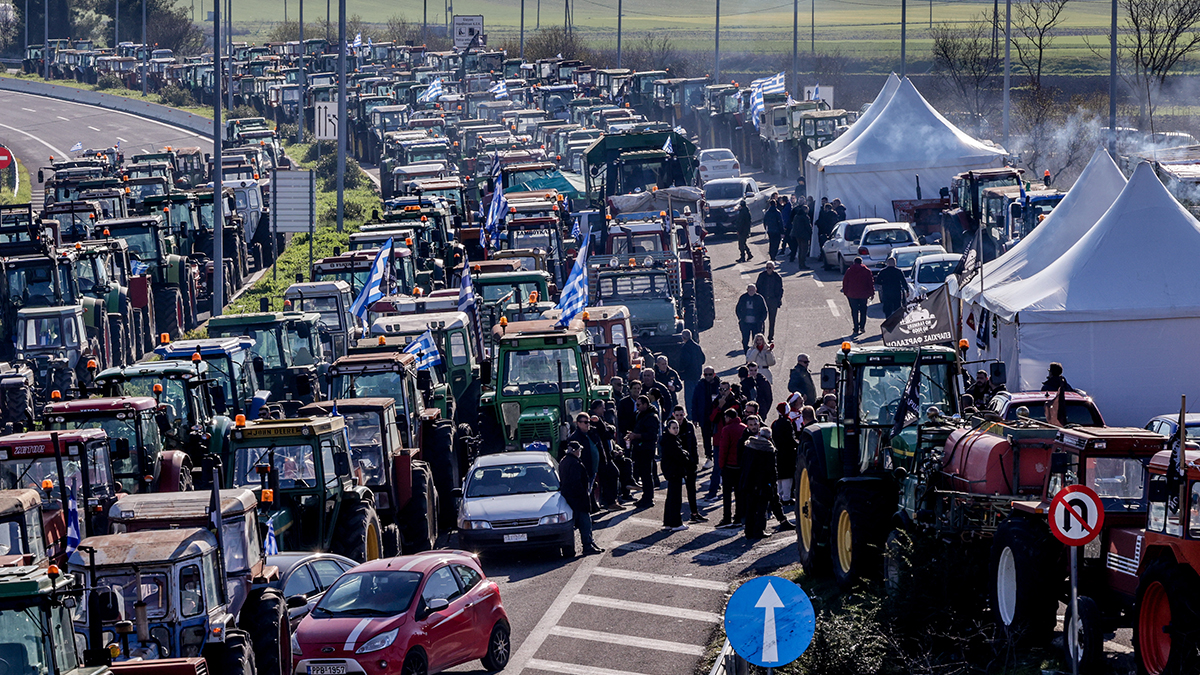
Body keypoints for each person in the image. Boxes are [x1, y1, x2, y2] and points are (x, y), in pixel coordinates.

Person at [559, 441, 604, 555]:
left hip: (568, 498)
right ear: (575, 451)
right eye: (579, 450)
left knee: (572, 525)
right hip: (578, 499)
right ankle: (587, 545)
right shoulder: (575, 463)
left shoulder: (564, 461)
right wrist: (583, 494)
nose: (580, 452)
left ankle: (573, 549)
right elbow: (576, 482)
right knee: (585, 523)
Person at [625, 395, 661, 506]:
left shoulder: (651, 417)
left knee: (646, 474)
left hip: (646, 449)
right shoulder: (640, 414)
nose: (637, 407)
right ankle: (645, 497)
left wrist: (636, 436)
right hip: (639, 448)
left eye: (639, 404)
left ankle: (648, 498)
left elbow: (652, 435)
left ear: (645, 404)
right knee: (643, 473)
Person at [673, 406, 705, 523]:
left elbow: (694, 444)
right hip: (677, 463)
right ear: (673, 415)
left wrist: (695, 461)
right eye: (677, 415)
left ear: (684, 415)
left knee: (691, 490)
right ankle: (675, 516)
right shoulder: (671, 426)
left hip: (689, 462)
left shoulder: (689, 426)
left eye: (681, 415)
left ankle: (694, 513)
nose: (679, 418)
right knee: (675, 492)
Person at [714, 409, 746, 528]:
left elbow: (723, 449)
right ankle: (738, 517)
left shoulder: (726, 429)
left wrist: (721, 465)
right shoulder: (744, 428)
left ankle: (727, 518)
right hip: (740, 466)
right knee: (739, 494)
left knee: (727, 494)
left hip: (729, 466)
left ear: (728, 417)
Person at [660, 418, 689, 531]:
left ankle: (668, 522)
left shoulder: (668, 439)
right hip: (674, 472)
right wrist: (686, 455)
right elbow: (680, 456)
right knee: (675, 498)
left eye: (677, 428)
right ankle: (676, 523)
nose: (676, 430)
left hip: (671, 472)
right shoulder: (671, 441)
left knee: (671, 498)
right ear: (668, 429)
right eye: (673, 428)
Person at [691, 366, 721, 467]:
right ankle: (709, 457)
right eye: (706, 374)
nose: (708, 376)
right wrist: (695, 418)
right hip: (704, 416)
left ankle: (718, 456)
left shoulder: (719, 385)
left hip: (717, 416)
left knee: (718, 436)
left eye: (710, 374)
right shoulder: (700, 386)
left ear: (714, 374)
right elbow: (694, 402)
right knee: (706, 438)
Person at [772, 403, 798, 506]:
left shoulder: (775, 423)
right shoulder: (787, 422)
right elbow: (790, 439)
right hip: (787, 453)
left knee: (780, 475)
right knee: (788, 475)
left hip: (778, 452)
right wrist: (797, 444)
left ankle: (779, 495)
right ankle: (786, 497)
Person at [841, 257, 875, 334]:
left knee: (854, 311)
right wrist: (872, 293)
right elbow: (870, 282)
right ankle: (862, 326)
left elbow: (845, 282)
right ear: (861, 262)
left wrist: (846, 292)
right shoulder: (866, 271)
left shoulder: (849, 270)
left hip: (852, 294)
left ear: (854, 262)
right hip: (863, 294)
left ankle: (856, 327)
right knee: (863, 311)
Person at [678, 330, 706, 419]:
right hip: (697, 374)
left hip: (689, 375)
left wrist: (681, 369)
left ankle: (691, 414)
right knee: (698, 395)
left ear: (683, 338)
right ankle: (699, 412)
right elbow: (703, 359)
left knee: (689, 396)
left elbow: (685, 361)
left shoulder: (685, 348)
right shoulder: (697, 346)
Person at [755, 262, 784, 341]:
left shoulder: (777, 277)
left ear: (773, 268)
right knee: (761, 319)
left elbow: (780, 289)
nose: (768, 269)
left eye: (770, 268)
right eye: (767, 267)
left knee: (772, 320)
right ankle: (761, 337)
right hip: (763, 300)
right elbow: (757, 287)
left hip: (773, 300)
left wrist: (778, 300)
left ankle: (770, 337)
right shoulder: (762, 275)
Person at [735, 284, 767, 351]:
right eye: (750, 290)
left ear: (756, 290)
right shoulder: (743, 298)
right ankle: (747, 354)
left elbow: (764, 311)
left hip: (756, 324)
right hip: (745, 323)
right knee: (745, 340)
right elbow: (738, 309)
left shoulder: (759, 298)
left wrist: (761, 320)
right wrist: (740, 318)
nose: (751, 291)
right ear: (747, 290)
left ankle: (756, 354)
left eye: (753, 290)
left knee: (756, 341)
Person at [790, 202, 811, 267]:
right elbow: (808, 226)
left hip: (797, 235)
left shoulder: (796, 216)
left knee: (800, 249)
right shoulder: (805, 217)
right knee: (804, 250)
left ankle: (800, 263)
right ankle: (802, 264)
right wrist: (810, 233)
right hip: (804, 235)